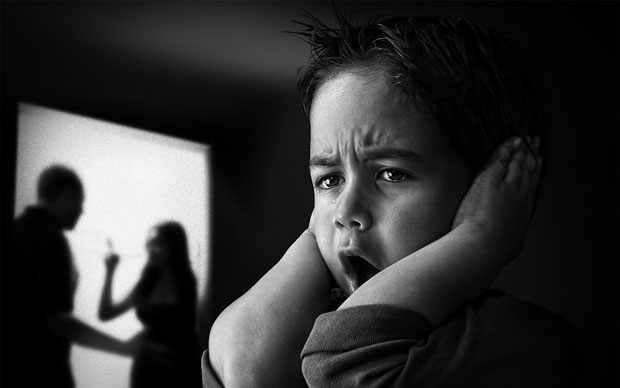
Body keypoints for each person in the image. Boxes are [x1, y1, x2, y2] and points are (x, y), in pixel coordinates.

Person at [203, 10, 582, 388]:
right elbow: (246, 368)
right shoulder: (305, 329)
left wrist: (478, 236)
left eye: (392, 174)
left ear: (486, 188)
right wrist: (313, 234)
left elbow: (340, 360)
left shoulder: (519, 342)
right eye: (330, 179)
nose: (346, 212)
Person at [10, 165, 144, 388]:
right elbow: (61, 322)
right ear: (66, 197)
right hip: (41, 370)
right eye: (80, 203)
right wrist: (125, 348)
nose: (81, 211)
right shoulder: (48, 237)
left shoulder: (18, 229)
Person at [98, 221, 201, 388]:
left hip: (181, 366)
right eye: (148, 244)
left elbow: (185, 329)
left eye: (158, 243)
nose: (150, 249)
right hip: (147, 366)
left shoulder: (187, 282)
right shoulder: (146, 284)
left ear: (174, 246)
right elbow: (105, 313)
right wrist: (110, 271)